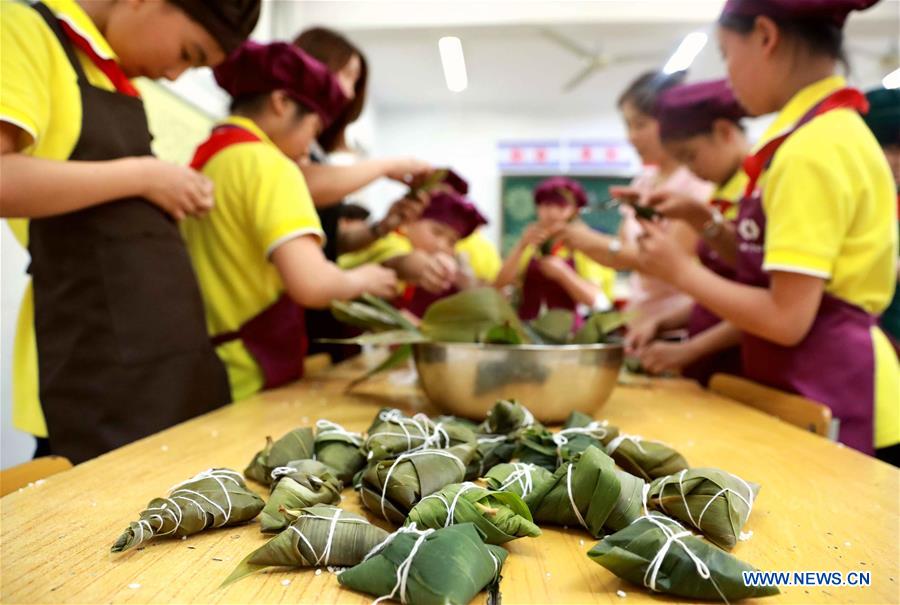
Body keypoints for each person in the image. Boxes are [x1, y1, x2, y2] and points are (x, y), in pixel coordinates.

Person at [632, 0, 898, 456]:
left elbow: (786, 317)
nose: (728, 74)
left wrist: (682, 272)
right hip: (807, 372)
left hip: (824, 380)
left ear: (766, 37)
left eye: (726, 53)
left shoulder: (811, 150)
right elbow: (771, 267)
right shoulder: (823, 133)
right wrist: (707, 224)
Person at [0, 0, 260, 463]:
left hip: (167, 374)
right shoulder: (24, 28)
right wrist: (145, 176)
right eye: (188, 52)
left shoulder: (115, 79)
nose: (176, 75)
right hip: (93, 373)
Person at [180, 41, 397, 402]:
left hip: (205, 364)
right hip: (252, 370)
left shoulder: (209, 160)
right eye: (313, 128)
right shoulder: (270, 166)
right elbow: (311, 283)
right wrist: (366, 278)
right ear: (281, 103)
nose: (307, 148)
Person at [556, 71, 713, 333]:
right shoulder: (643, 182)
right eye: (628, 126)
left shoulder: (696, 183)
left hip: (678, 327)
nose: (631, 137)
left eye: (640, 125)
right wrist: (578, 239)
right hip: (639, 322)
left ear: (671, 123)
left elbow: (669, 262)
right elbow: (623, 255)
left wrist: (591, 241)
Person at [628, 79, 751, 385]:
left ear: (724, 132)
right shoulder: (720, 194)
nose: (690, 169)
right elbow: (721, 294)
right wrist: (664, 322)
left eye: (690, 156)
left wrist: (689, 349)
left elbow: (767, 303)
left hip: (744, 358)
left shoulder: (755, 191)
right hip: (714, 359)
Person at [495, 177, 616, 325]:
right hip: (526, 332)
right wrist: (521, 246)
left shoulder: (586, 244)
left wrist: (563, 273)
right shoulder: (530, 244)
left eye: (560, 207)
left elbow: (597, 300)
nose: (552, 213)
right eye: (546, 205)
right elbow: (499, 285)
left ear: (575, 210)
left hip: (570, 336)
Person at [395, 190, 489, 317]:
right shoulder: (389, 244)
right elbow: (403, 262)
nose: (441, 245)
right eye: (437, 232)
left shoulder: (444, 282)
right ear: (411, 222)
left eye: (452, 242)